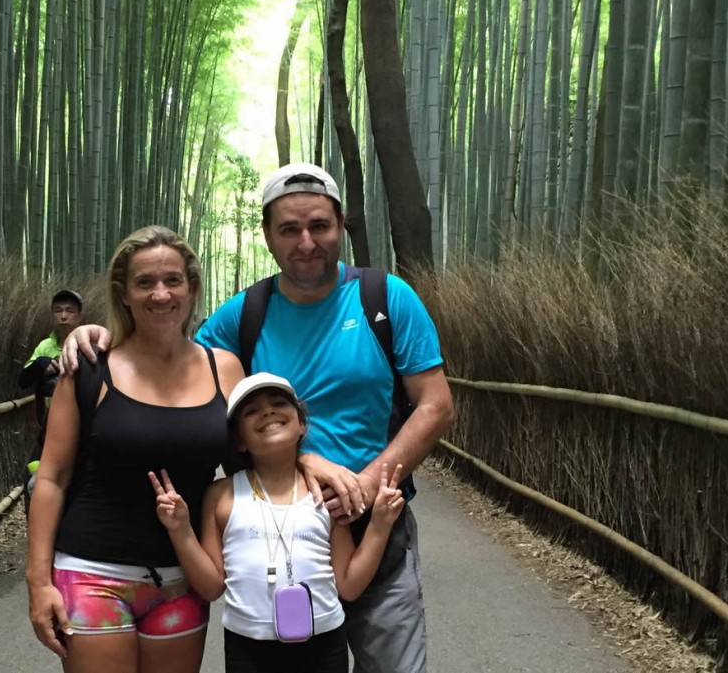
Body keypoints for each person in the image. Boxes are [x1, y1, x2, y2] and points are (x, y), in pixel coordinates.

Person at [63, 164, 455, 673]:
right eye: (289, 229)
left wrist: (364, 484)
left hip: (375, 520)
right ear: (268, 237)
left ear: (341, 226)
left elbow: (435, 405)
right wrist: (93, 335)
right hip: (274, 528)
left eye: (320, 225)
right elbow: (162, 359)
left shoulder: (386, 298)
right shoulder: (240, 316)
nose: (306, 242)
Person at [26, 226, 244, 673]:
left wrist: (309, 463)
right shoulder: (89, 367)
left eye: (173, 281)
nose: (160, 294)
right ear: (123, 293)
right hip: (90, 572)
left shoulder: (224, 368)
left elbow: (248, 468)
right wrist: (37, 581)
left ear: (191, 288)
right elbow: (51, 477)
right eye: (145, 282)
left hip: (182, 580)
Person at [150, 372, 405, 673]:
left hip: (323, 643)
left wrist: (379, 526)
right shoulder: (221, 496)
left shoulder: (324, 495)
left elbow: (348, 585)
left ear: (301, 425)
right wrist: (181, 531)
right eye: (251, 410)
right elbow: (211, 586)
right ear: (239, 440)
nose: (267, 411)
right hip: (248, 645)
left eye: (278, 403)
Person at [18, 289, 84, 494]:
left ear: (79, 315)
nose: (64, 316)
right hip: (49, 424)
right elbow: (23, 381)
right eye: (58, 311)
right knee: (34, 480)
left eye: (69, 311)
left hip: (82, 422)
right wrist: (40, 365)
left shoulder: (89, 344)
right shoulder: (45, 346)